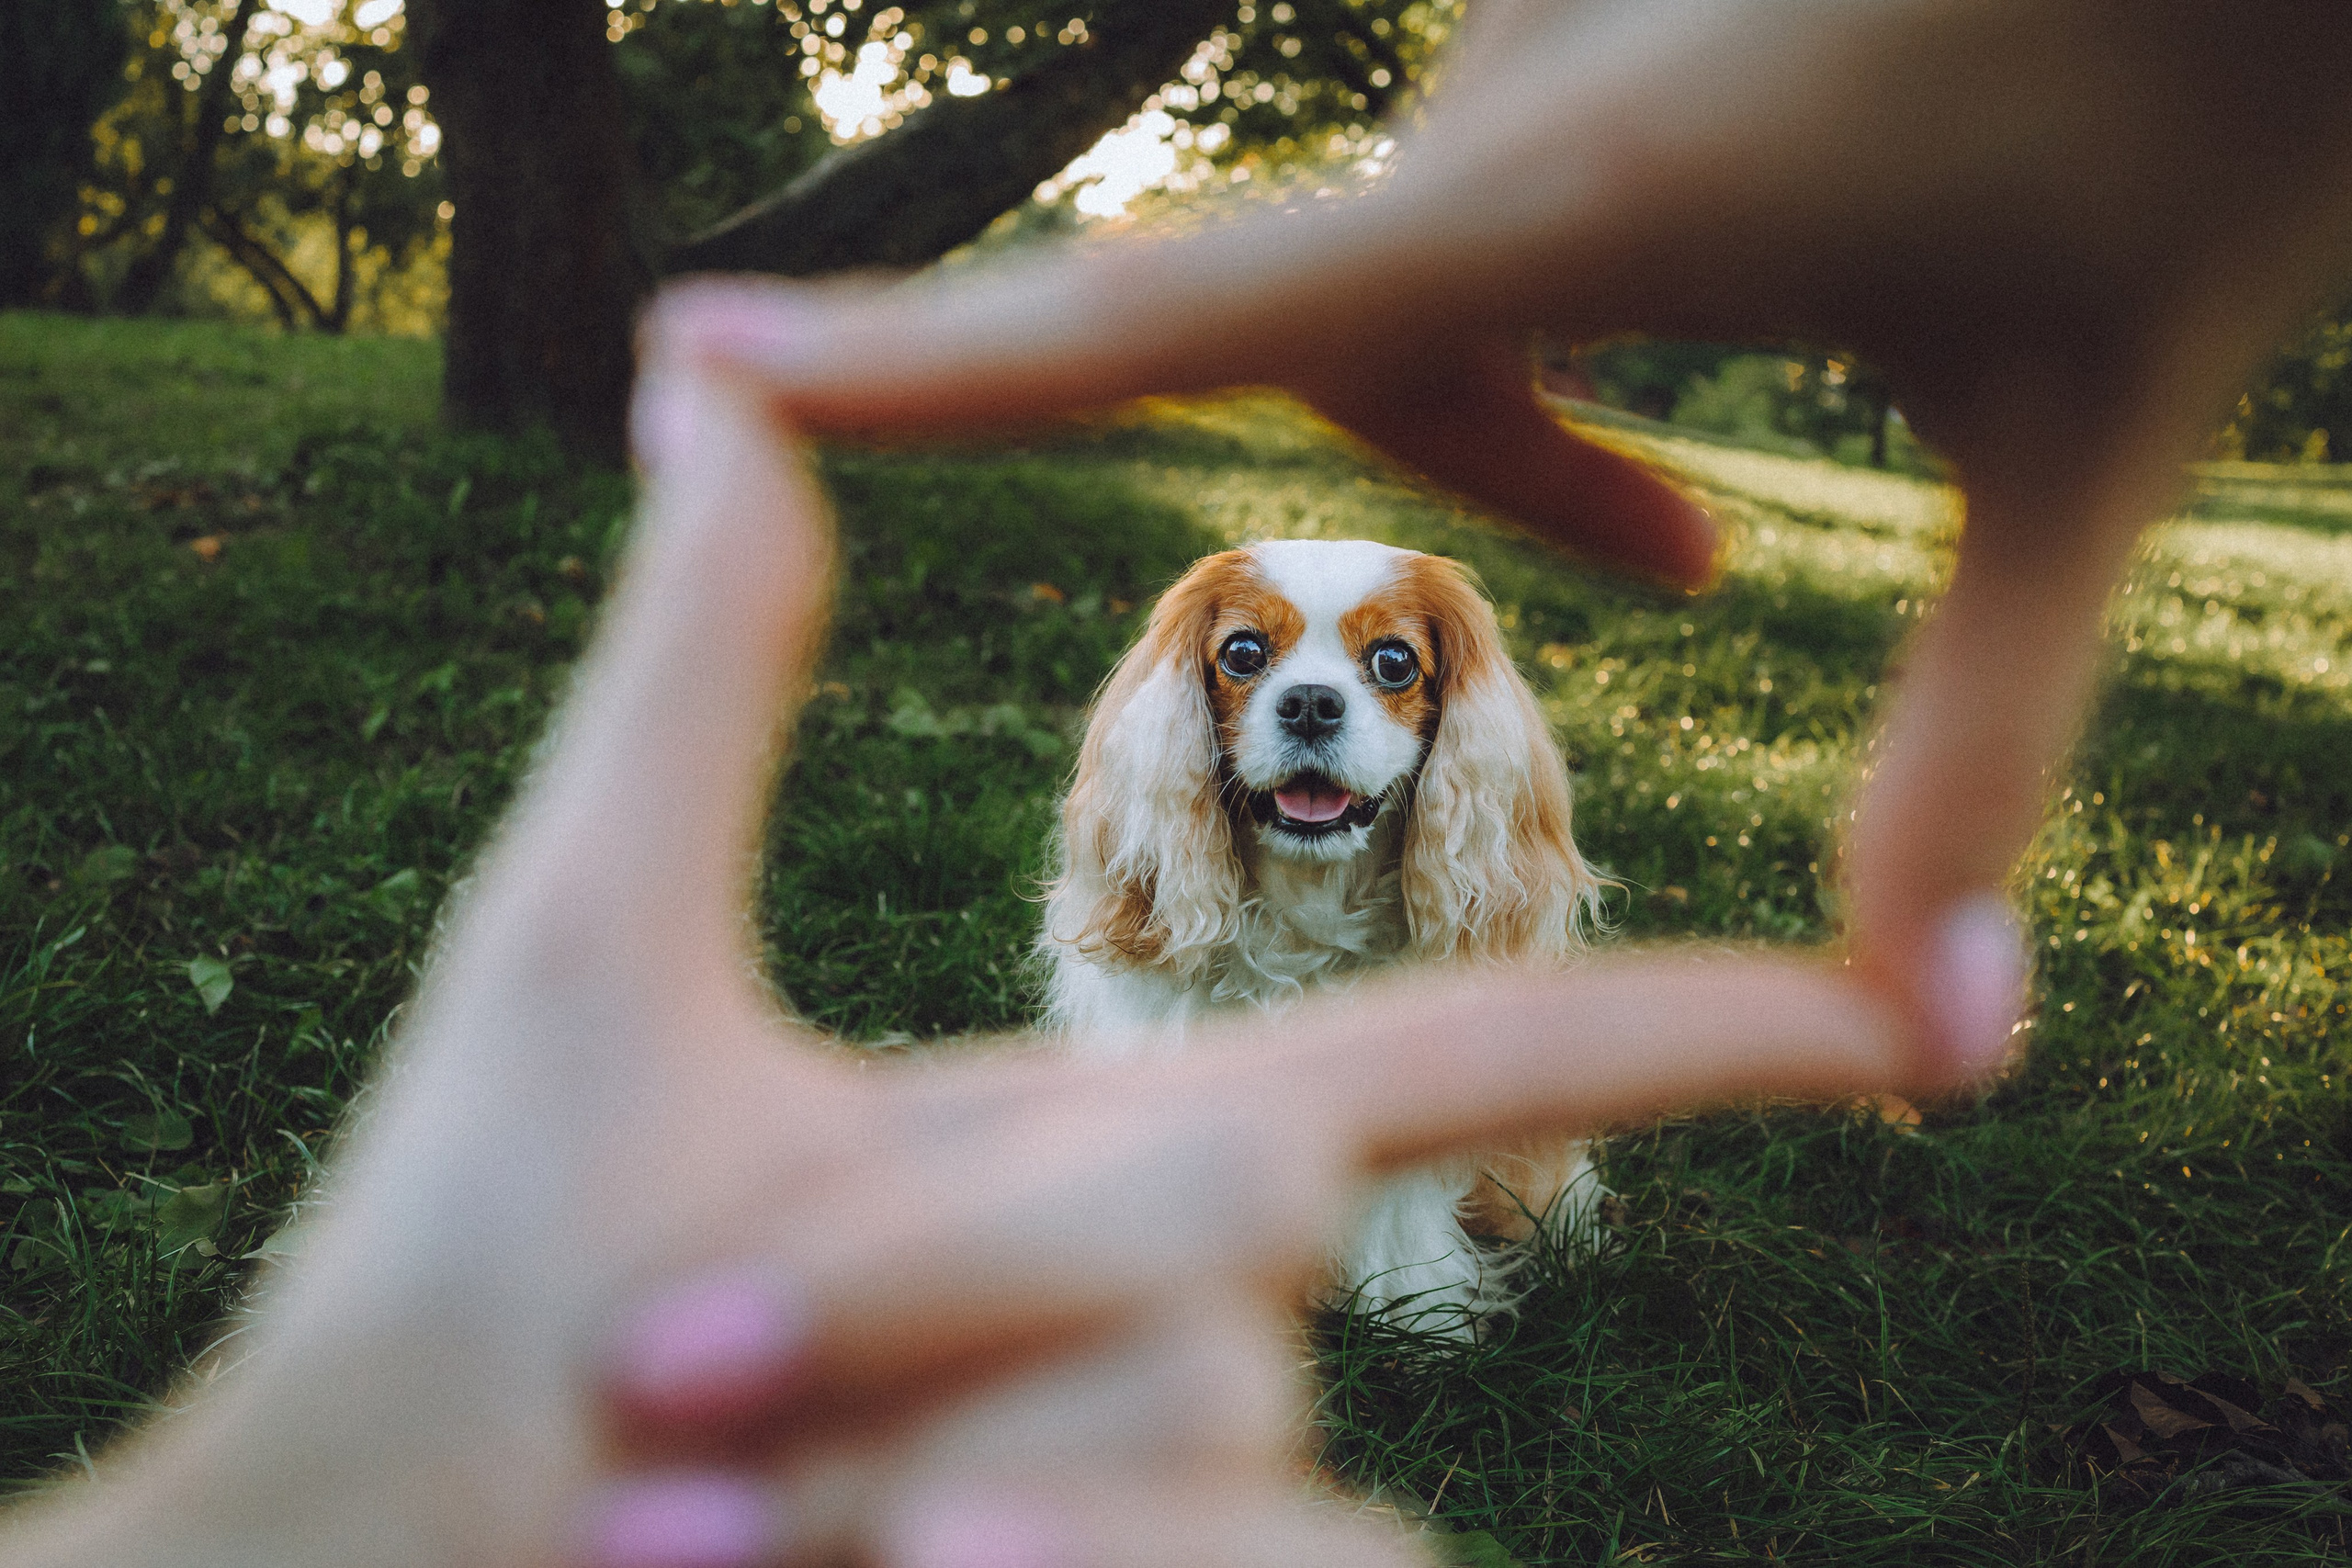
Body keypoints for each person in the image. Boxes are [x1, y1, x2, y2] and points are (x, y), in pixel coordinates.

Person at [9, 2, 2351, 1564]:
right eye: (1258, 668)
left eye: (1373, 674)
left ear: (1438, 716)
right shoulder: (1165, 835)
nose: (1313, 702)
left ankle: (1435, 1230)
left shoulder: (1452, 784)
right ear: (1199, 709)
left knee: (1439, 1217)